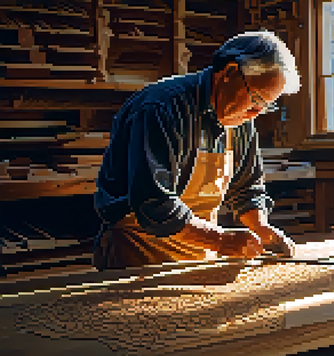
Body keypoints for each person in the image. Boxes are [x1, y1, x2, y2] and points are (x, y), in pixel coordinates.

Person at [92, 30, 299, 270]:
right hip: (138, 253)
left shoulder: (240, 120)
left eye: (265, 106)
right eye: (255, 99)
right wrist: (220, 240)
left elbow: (247, 188)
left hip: (199, 254)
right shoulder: (160, 108)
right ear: (230, 72)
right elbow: (153, 203)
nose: (255, 113)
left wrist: (261, 228)